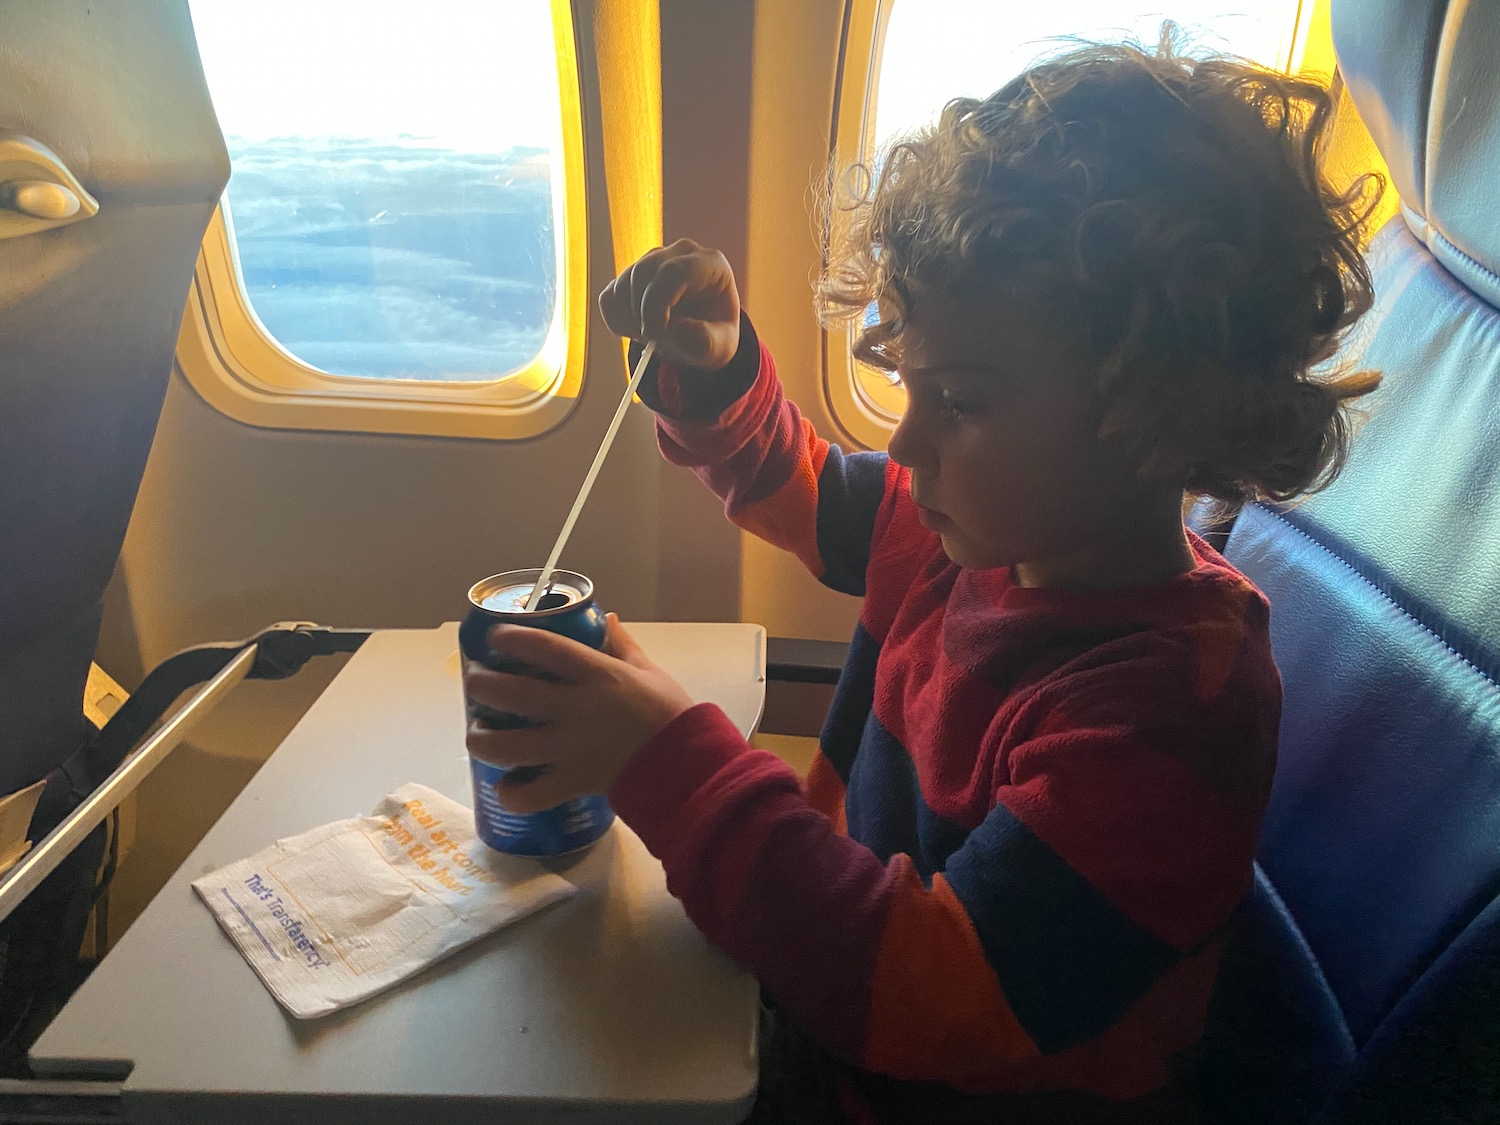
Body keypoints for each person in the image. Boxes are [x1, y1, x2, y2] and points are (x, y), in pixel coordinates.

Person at [463, 32, 1382, 1125]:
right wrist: (715, 372)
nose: (903, 449)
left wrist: (672, 766)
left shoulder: (1163, 711)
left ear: (1159, 416)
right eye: (911, 385)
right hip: (831, 1006)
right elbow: (797, 483)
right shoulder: (971, 537)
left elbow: (936, 993)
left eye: (962, 402)